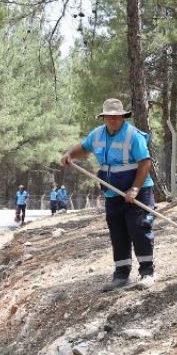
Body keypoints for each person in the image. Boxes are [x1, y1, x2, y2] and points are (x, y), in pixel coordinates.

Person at [60, 98, 156, 291]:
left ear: (122, 117)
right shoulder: (97, 135)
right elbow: (85, 148)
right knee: (118, 233)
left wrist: (135, 189)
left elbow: (145, 163)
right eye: (109, 117)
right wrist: (70, 154)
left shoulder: (133, 136)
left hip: (138, 191)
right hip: (113, 193)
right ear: (104, 118)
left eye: (117, 117)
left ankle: (147, 272)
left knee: (139, 230)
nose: (113, 120)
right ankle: (121, 275)